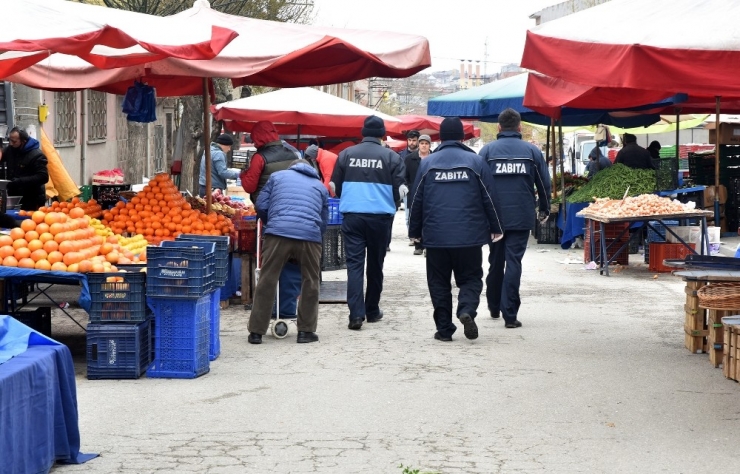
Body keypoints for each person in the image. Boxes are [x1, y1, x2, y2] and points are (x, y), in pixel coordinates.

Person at [408, 118, 503, 342]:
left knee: (438, 282)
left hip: (436, 236)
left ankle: (444, 329)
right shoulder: (476, 162)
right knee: (470, 278)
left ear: (440, 137)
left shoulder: (427, 163)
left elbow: (416, 200)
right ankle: (466, 309)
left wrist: (415, 231)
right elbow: (490, 197)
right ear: (462, 137)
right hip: (469, 236)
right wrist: (496, 227)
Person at [330, 115, 406, 330]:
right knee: (375, 264)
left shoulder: (345, 155)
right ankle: (372, 310)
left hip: (353, 217)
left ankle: (356, 315)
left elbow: (335, 187)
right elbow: (400, 191)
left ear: (363, 133)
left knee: (354, 266)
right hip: (380, 219)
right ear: (382, 134)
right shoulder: (392, 157)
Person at [479, 108, 551, 329]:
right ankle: (509, 313)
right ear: (520, 127)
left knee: (495, 261)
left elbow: (478, 185)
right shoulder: (531, 151)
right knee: (514, 262)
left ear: (499, 128)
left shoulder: (487, 151)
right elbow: (544, 184)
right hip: (521, 216)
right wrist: (544, 209)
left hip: (494, 218)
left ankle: (493, 305)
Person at [247, 159, 329, 344]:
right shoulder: (320, 186)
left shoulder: (277, 177)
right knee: (310, 281)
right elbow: (324, 221)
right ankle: (305, 332)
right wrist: (314, 234)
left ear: (292, 167)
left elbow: (261, 204)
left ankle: (256, 332)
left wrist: (273, 222)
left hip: (278, 233)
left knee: (268, 278)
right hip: (309, 235)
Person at [241, 120, 302, 320]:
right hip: (295, 212)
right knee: (291, 263)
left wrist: (243, 174)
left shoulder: (260, 158)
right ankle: (287, 307)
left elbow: (250, 187)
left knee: (268, 264)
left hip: (270, 216)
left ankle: (267, 311)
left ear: (258, 137)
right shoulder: (293, 153)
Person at [1, 127, 49, 212]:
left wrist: (20, 181)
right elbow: (2, 155)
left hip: (32, 198)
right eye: (10, 140)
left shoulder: (37, 155)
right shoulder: (11, 150)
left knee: (29, 223)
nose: (11, 144)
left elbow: (43, 177)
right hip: (16, 196)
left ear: (23, 141)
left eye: (14, 141)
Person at [404, 134, 432, 254]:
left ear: (429, 145)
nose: (424, 146)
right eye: (422, 143)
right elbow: (404, 176)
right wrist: (408, 188)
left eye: (426, 143)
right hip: (414, 192)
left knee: (428, 217)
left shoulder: (434, 157)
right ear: (418, 145)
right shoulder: (409, 159)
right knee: (414, 217)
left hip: (430, 192)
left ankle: (427, 243)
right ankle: (417, 244)